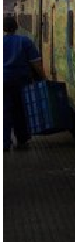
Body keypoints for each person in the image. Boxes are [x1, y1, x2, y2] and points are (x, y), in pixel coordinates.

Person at [4, 15, 44, 151]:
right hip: (21, 81)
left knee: (4, 111)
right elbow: (36, 63)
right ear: (16, 27)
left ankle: (4, 143)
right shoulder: (24, 41)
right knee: (21, 111)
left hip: (3, 81)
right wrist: (43, 77)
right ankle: (22, 140)